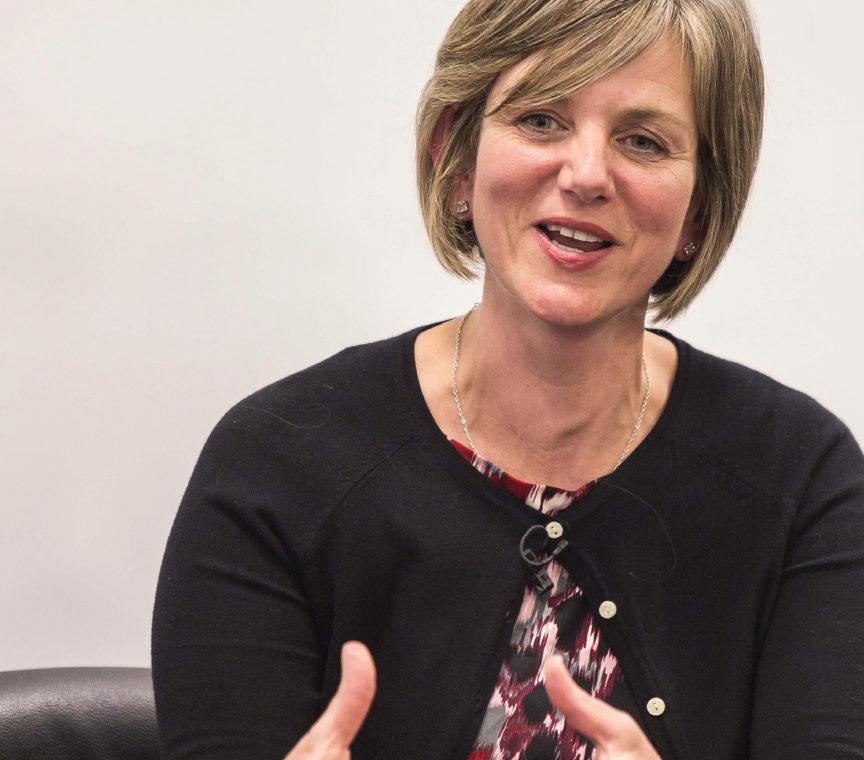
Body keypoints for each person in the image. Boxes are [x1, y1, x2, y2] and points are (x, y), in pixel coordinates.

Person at [151, 0, 864, 757]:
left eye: (644, 141)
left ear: (699, 211)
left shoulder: (800, 481)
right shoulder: (273, 469)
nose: (586, 176)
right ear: (456, 156)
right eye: (541, 120)